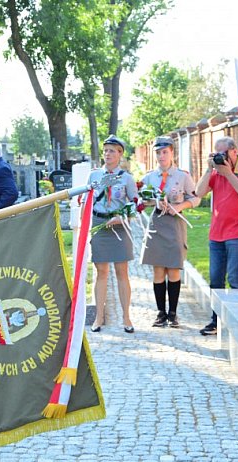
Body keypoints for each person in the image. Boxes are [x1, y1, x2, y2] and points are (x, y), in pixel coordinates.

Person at [140, 136, 199, 328]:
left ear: (172, 152)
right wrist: (151, 201)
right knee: (158, 269)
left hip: (174, 223)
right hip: (157, 223)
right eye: (158, 152)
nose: (161, 156)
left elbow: (195, 198)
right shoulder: (150, 177)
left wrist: (180, 206)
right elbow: (141, 200)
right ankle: (160, 313)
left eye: (165, 152)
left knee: (173, 269)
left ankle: (173, 314)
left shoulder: (182, 176)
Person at [195, 136, 238, 336]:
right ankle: (215, 320)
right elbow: (199, 193)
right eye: (217, 154)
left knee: (235, 279)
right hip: (216, 234)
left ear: (234, 152)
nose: (220, 158)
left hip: (237, 232)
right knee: (216, 280)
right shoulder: (216, 172)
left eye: (223, 154)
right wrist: (210, 169)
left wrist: (228, 173)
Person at [89, 135, 137, 333]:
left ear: (120, 154)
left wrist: (122, 217)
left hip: (119, 225)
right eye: (106, 150)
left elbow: (135, 204)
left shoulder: (126, 178)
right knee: (101, 272)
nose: (107, 154)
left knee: (121, 272)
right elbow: (87, 200)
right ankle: (99, 317)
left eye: (112, 151)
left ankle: (126, 317)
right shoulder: (94, 176)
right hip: (100, 224)